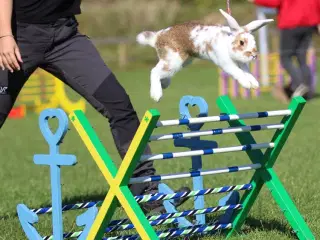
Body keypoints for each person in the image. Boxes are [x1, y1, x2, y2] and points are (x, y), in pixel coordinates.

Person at [0, 0, 189, 213]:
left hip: (65, 37)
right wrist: (4, 35)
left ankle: (148, 192)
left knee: (120, 107)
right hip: (17, 37)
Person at [249, 0, 320, 103]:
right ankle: (307, 91)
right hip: (309, 24)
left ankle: (299, 84)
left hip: (290, 23)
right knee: (302, 58)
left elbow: (275, 2)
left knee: (285, 58)